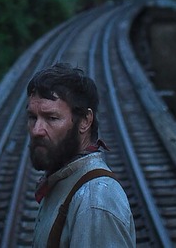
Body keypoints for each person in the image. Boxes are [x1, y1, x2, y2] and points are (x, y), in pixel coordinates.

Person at [26, 63, 136, 247]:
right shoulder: (65, 181)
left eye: (51, 118)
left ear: (85, 121)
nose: (37, 130)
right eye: (32, 118)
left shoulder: (95, 201)